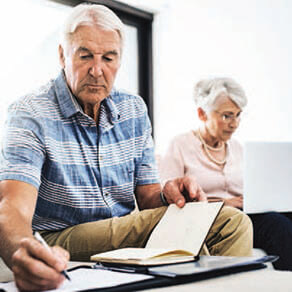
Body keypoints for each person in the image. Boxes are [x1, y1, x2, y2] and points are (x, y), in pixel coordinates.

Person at [0, 5, 252, 291]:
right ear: (62, 55)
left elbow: (148, 198)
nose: (97, 70)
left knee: (235, 224)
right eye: (85, 56)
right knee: (225, 219)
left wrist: (169, 193)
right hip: (58, 237)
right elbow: (12, 205)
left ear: (119, 60)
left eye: (108, 58)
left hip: (122, 231)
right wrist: (21, 250)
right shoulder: (29, 112)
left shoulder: (132, 109)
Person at [160, 76, 292, 271]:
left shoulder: (238, 148)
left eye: (238, 115)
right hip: (215, 221)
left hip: (246, 214)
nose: (235, 123)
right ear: (202, 114)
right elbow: (169, 200)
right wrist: (225, 203)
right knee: (277, 226)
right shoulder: (180, 145)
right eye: (227, 116)